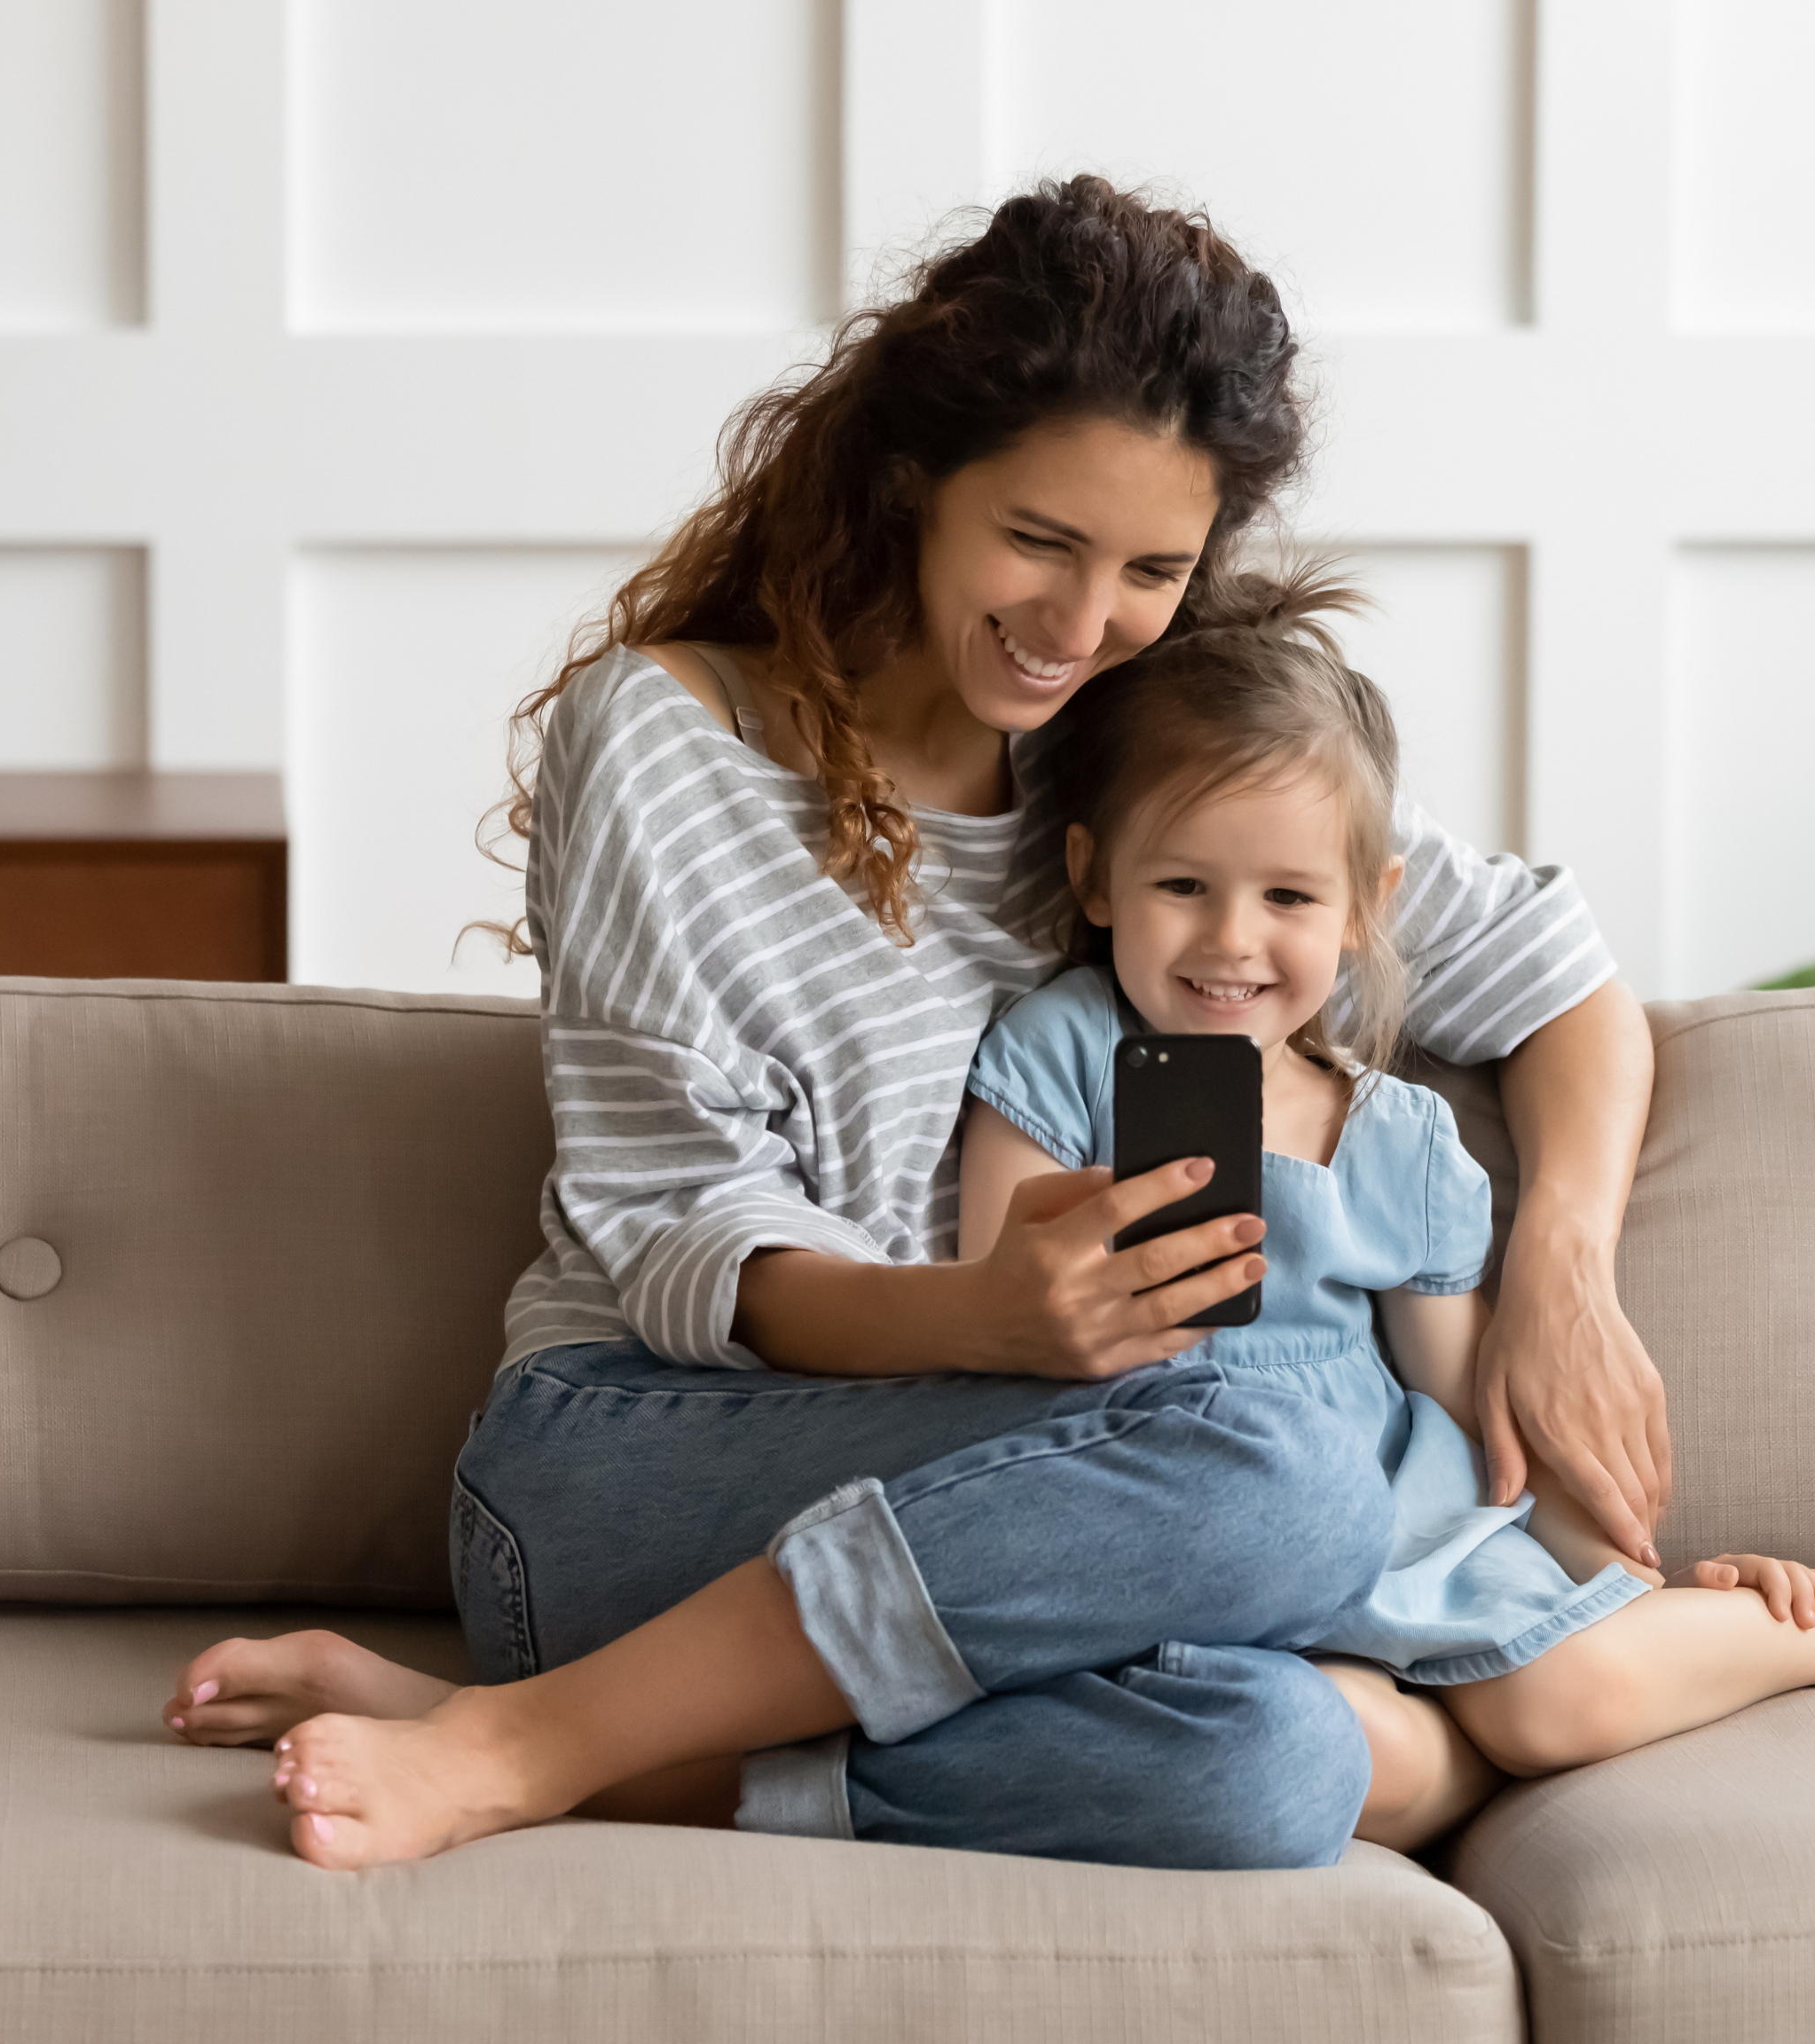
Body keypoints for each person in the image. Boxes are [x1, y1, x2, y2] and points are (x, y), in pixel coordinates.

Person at [161, 177, 1664, 1871]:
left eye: (1153, 569)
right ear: (908, 483)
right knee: (1291, 1466)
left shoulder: (1134, 765)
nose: (1083, 626)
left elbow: (1560, 978)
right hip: (632, 1463)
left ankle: (581, 1740)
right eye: (1038, 541)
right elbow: (675, 1236)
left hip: (1026, 1500)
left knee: (1276, 1771)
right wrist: (981, 1315)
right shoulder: (666, 741)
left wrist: (1561, 1269)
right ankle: (530, 1734)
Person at [952, 570, 1815, 1847]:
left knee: (1561, 1698)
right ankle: (1467, 1736)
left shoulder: (1398, 1138)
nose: (1233, 941)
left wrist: (1610, 1576)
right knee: (1310, 1738)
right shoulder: (1060, 1055)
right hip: (1169, 1511)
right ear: (1097, 877)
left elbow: (1467, 1417)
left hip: (1391, 1518)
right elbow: (992, 1311)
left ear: (1367, 910)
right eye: (1184, 886)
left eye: (1287, 898)